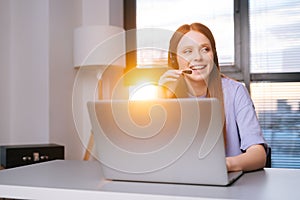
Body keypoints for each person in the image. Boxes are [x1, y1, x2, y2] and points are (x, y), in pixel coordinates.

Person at [158, 22, 267, 172]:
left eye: (205, 49)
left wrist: (222, 166)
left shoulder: (235, 92)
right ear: (174, 60)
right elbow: (154, 156)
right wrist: (162, 99)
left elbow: (259, 155)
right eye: (188, 51)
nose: (198, 57)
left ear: (213, 55)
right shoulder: (165, 95)